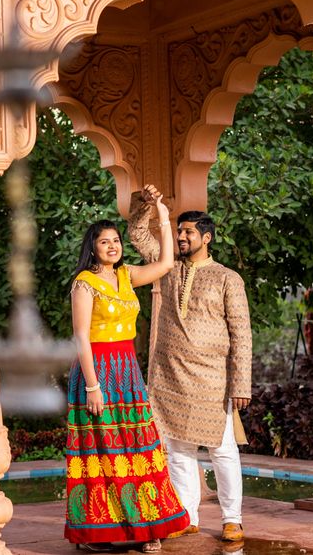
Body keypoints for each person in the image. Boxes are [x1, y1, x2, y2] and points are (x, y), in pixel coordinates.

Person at [64, 194, 190, 553]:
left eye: (116, 240)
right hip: (97, 371)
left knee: (138, 446)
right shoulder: (84, 283)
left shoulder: (127, 274)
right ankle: (98, 533)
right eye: (105, 242)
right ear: (93, 247)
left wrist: (163, 216)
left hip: (127, 372)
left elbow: (166, 263)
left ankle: (147, 528)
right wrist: (91, 386)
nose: (113, 246)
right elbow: (81, 337)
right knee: (101, 450)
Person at [129, 185, 252, 542]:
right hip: (170, 375)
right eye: (179, 231)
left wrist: (241, 384)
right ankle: (187, 514)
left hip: (213, 378)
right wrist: (147, 204)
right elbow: (138, 233)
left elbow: (241, 333)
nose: (181, 237)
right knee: (179, 450)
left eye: (188, 232)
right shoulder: (167, 266)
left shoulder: (228, 278)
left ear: (207, 237)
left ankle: (233, 518)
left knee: (222, 450)